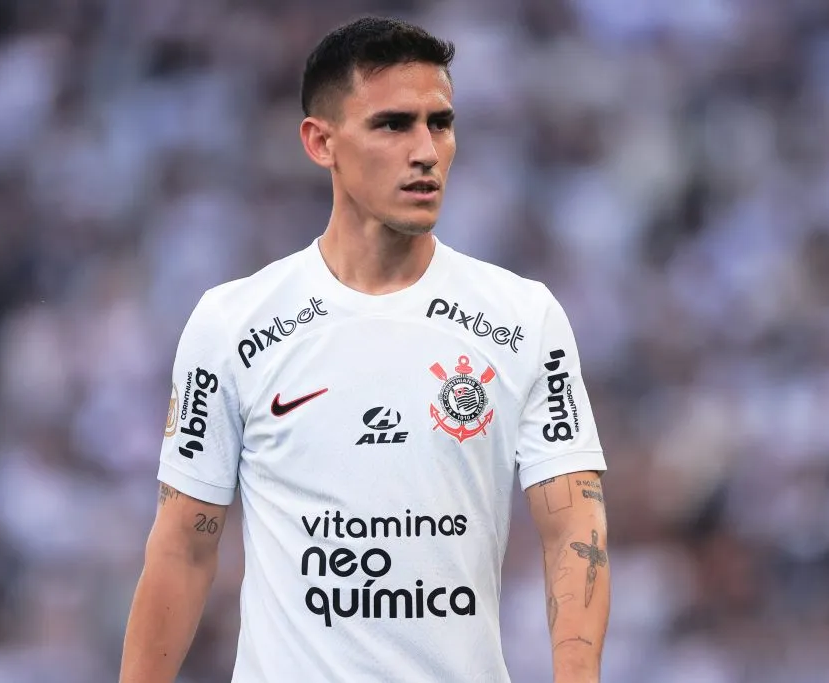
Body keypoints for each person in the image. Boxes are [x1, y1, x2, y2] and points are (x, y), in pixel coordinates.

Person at [119, 15, 610, 683]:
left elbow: (574, 534)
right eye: (392, 124)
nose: (427, 151)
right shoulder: (232, 324)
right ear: (320, 142)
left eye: (440, 122)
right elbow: (182, 547)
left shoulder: (522, 318)